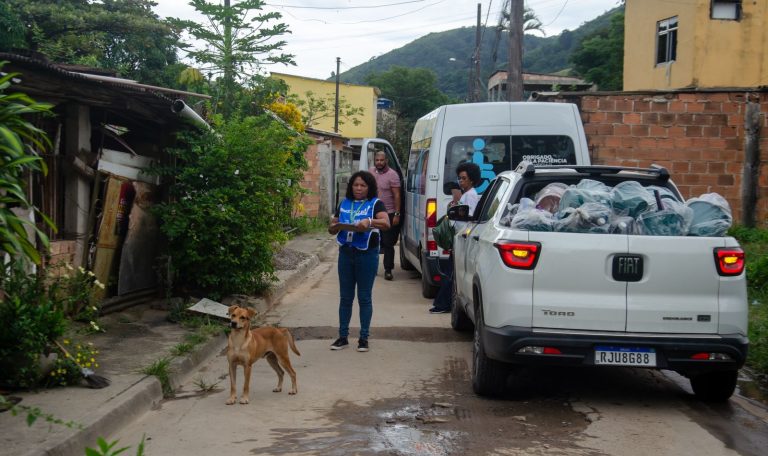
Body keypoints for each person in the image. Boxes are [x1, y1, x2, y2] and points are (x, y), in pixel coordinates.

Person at [328, 171, 390, 352]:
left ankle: (363, 338)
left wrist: (369, 221)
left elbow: (386, 223)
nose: (359, 188)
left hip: (367, 254)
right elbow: (333, 226)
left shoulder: (375, 203)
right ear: (351, 186)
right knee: (345, 297)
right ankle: (342, 337)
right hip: (346, 253)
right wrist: (333, 226)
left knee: (364, 297)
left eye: (363, 185)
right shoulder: (344, 203)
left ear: (369, 187)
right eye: (356, 185)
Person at [429, 162, 481, 314]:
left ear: (472, 179)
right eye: (459, 178)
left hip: (462, 240)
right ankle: (443, 303)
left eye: (464, 178)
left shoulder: (470, 196)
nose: (461, 181)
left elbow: (469, 218)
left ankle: (443, 304)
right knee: (451, 273)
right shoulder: (466, 195)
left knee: (451, 274)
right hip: (458, 239)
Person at [369, 151, 401, 281]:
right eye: (377, 160)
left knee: (388, 243)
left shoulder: (392, 175)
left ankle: (388, 270)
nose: (379, 162)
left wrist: (397, 214)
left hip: (389, 213)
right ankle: (372, 268)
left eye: (382, 160)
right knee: (373, 242)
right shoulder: (371, 172)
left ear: (386, 161)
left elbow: (397, 195)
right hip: (373, 213)